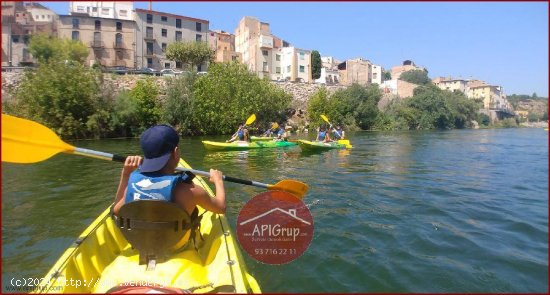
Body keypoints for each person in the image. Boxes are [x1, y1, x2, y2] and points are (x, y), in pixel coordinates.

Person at [113, 125, 226, 217]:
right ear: (175, 152)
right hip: (180, 245)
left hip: (140, 244)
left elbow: (115, 210)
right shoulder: (191, 191)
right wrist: (218, 181)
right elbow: (221, 208)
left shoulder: (132, 188)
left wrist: (126, 174)